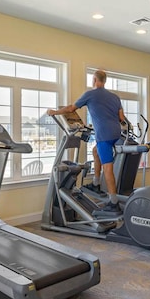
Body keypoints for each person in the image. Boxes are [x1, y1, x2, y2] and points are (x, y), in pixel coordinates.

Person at [47, 70, 126, 216]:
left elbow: (71, 108)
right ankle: (96, 183)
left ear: (95, 79)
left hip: (104, 135)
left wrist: (54, 112)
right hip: (116, 133)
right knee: (96, 151)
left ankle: (113, 202)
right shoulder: (115, 97)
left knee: (107, 168)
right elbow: (121, 118)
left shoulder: (90, 94)